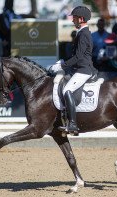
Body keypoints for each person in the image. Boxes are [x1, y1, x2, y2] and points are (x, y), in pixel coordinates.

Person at [49, 6, 98, 135]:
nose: (72, 21)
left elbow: (78, 57)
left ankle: (72, 124)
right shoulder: (82, 33)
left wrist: (62, 66)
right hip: (78, 68)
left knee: (67, 90)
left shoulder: (84, 34)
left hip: (83, 70)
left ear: (81, 19)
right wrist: (63, 61)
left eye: (75, 18)